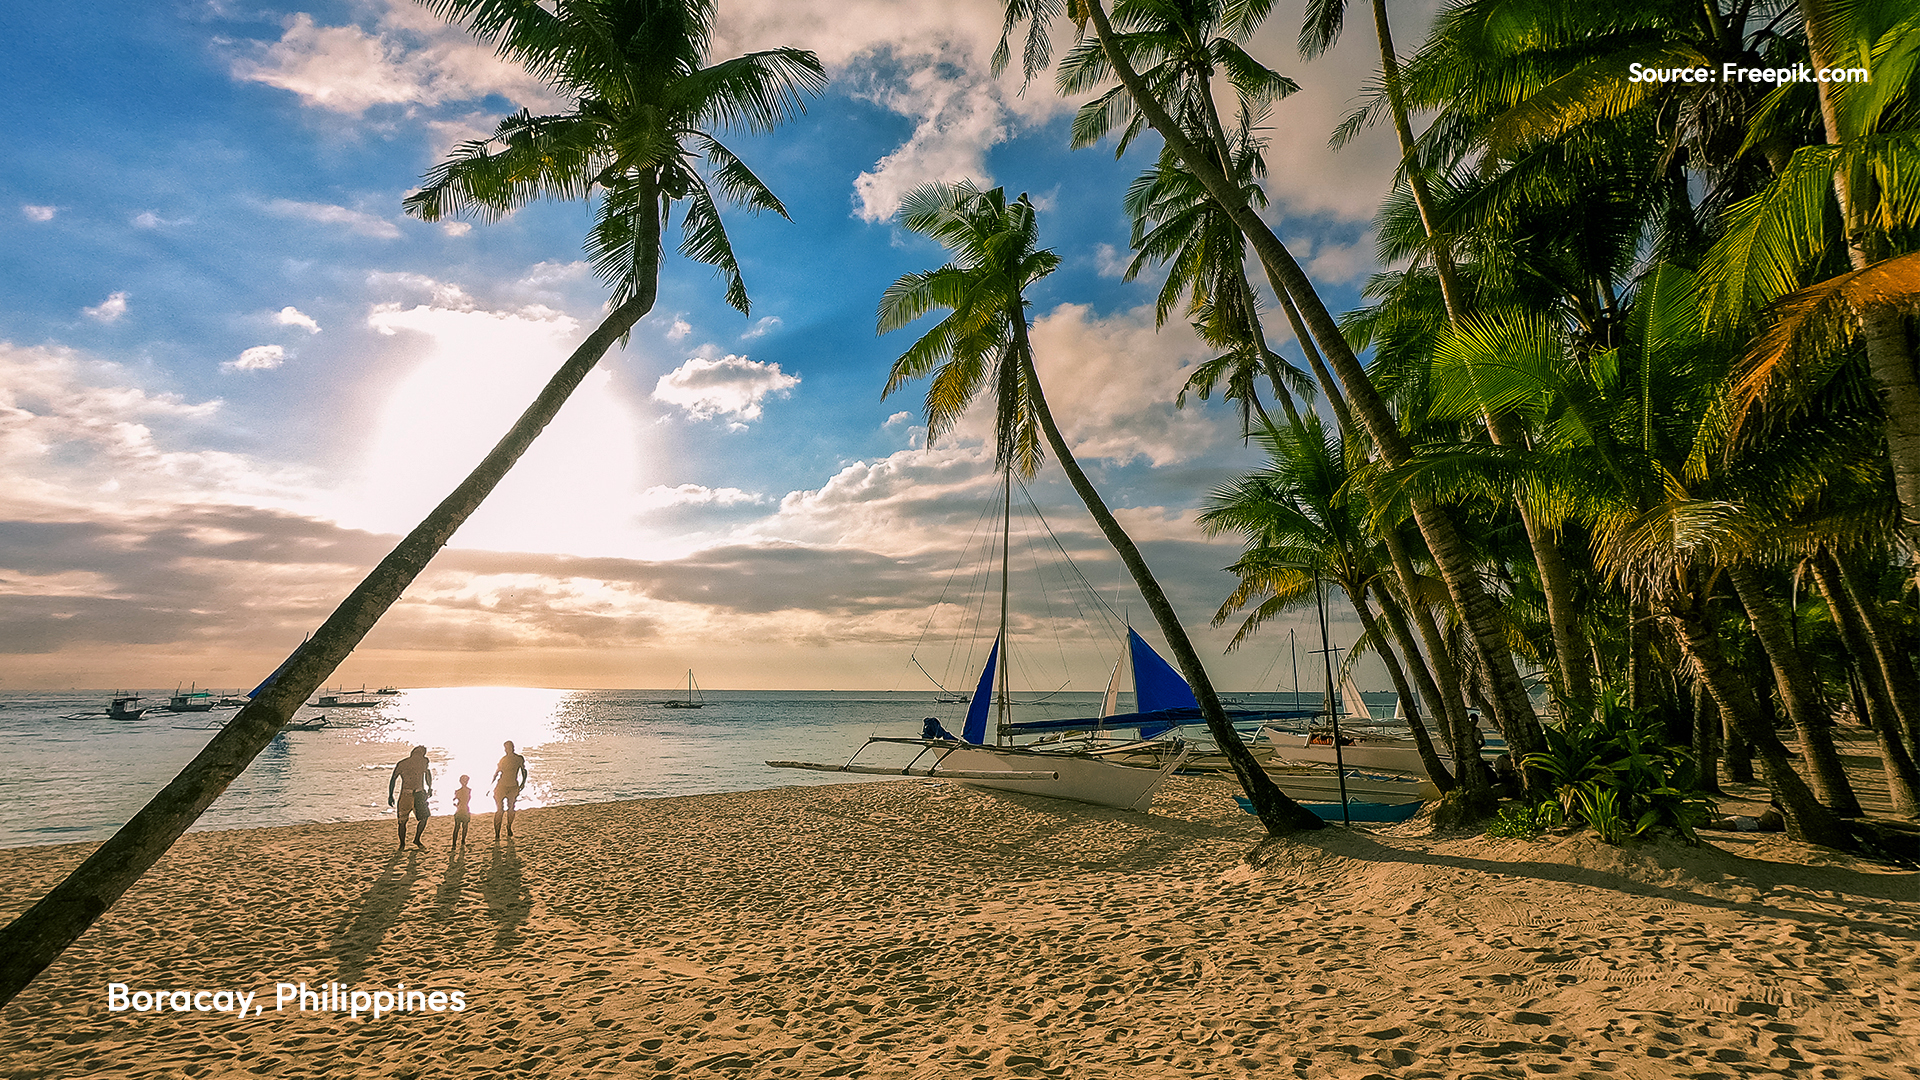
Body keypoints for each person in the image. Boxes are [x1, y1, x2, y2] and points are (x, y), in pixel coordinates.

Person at [387, 746, 433, 851]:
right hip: (412, 793)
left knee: (418, 819)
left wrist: (430, 787)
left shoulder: (406, 763)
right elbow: (393, 779)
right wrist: (390, 795)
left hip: (414, 793)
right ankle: (405, 843)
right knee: (403, 821)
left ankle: (410, 842)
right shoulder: (419, 761)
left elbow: (427, 773)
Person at [492, 740, 528, 841]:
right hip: (501, 786)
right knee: (499, 810)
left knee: (511, 808)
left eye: (507, 747)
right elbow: (497, 772)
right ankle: (497, 834)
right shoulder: (503, 759)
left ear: (512, 747)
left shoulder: (518, 759)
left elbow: (524, 771)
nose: (506, 750)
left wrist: (523, 783)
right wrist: (491, 784)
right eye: (505, 748)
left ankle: (508, 826)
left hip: (512, 786)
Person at [449, 774, 473, 850]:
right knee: (461, 827)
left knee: (458, 827)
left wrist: (456, 803)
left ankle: (456, 843)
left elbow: (455, 802)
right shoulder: (467, 790)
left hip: (461, 809)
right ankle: (460, 842)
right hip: (464, 809)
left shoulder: (458, 791)